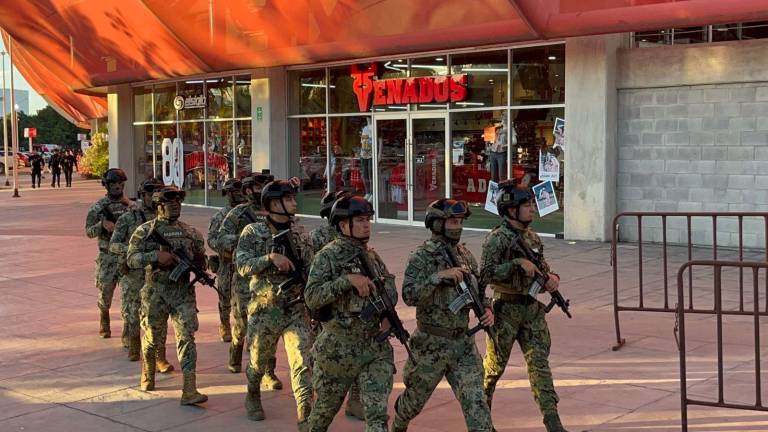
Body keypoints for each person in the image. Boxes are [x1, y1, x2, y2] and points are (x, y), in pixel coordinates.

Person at [392, 199, 494, 432]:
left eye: (460, 222)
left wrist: (487, 309)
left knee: (476, 403)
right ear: (437, 224)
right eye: (452, 222)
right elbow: (409, 295)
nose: (457, 227)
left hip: (463, 345)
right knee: (413, 403)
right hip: (431, 345)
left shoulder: (465, 255)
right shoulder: (422, 257)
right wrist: (437, 278)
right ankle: (398, 424)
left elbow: (479, 290)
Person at [480, 181, 568, 432]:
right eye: (526, 205)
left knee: (540, 365)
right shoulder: (496, 239)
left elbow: (544, 269)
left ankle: (553, 422)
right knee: (493, 369)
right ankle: (482, 420)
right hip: (505, 311)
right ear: (510, 210)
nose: (532, 209)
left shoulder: (532, 237)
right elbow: (484, 275)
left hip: (531, 310)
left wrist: (552, 280)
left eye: (532, 204)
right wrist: (515, 264)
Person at [305, 195, 397, 432]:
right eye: (360, 220)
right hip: (338, 349)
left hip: (374, 348)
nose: (367, 225)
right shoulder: (327, 256)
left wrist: (386, 314)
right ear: (344, 225)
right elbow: (312, 297)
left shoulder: (372, 256)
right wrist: (346, 281)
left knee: (377, 416)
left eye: (368, 219)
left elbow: (389, 293)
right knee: (323, 414)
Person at [235, 180, 314, 429]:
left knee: (302, 360)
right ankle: (253, 394)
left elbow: (311, 266)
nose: (294, 203)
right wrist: (269, 258)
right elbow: (243, 265)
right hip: (265, 307)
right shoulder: (254, 232)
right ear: (273, 204)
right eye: (289, 199)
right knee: (258, 360)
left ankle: (305, 411)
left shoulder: (300, 232)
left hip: (296, 308)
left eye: (293, 198)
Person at [127, 185, 208, 405]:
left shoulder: (191, 233)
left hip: (183, 294)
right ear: (158, 205)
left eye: (178, 202)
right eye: (169, 202)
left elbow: (201, 256)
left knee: (187, 338)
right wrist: (156, 256)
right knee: (153, 337)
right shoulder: (145, 231)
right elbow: (131, 259)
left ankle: (189, 389)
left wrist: (200, 266)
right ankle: (148, 373)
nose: (175, 206)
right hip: (155, 293)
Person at [218, 171, 283, 388]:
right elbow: (218, 238)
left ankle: (268, 371)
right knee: (244, 324)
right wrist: (245, 239)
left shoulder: (278, 211)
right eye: (258, 186)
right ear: (248, 190)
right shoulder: (238, 214)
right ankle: (236, 347)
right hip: (246, 277)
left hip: (271, 280)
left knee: (268, 327)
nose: (262, 189)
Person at [308, 190, 364, 421]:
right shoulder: (318, 240)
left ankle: (356, 400)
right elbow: (311, 278)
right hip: (328, 311)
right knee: (324, 366)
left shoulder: (362, 248)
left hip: (356, 319)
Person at [108, 177, 173, 374]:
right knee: (133, 314)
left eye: (157, 193)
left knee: (157, 316)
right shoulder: (129, 218)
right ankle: (133, 343)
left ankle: (159, 356)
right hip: (134, 272)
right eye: (149, 193)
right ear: (142, 195)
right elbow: (113, 244)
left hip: (157, 275)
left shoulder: (166, 219)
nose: (153, 197)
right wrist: (134, 250)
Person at [84, 168, 134, 338]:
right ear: (106, 185)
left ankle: (128, 334)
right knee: (105, 296)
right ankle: (104, 318)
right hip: (107, 257)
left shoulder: (131, 206)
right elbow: (88, 232)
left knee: (130, 297)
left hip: (126, 256)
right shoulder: (98, 208)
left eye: (120, 183)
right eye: (113, 183)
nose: (117, 187)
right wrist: (101, 226)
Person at [207, 178, 246, 343]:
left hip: (244, 262)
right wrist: (224, 249)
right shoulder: (220, 216)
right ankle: (224, 324)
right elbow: (212, 238)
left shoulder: (248, 213)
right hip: (227, 263)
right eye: (232, 192)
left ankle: (241, 328)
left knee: (243, 299)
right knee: (224, 296)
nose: (236, 194)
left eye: (239, 191)